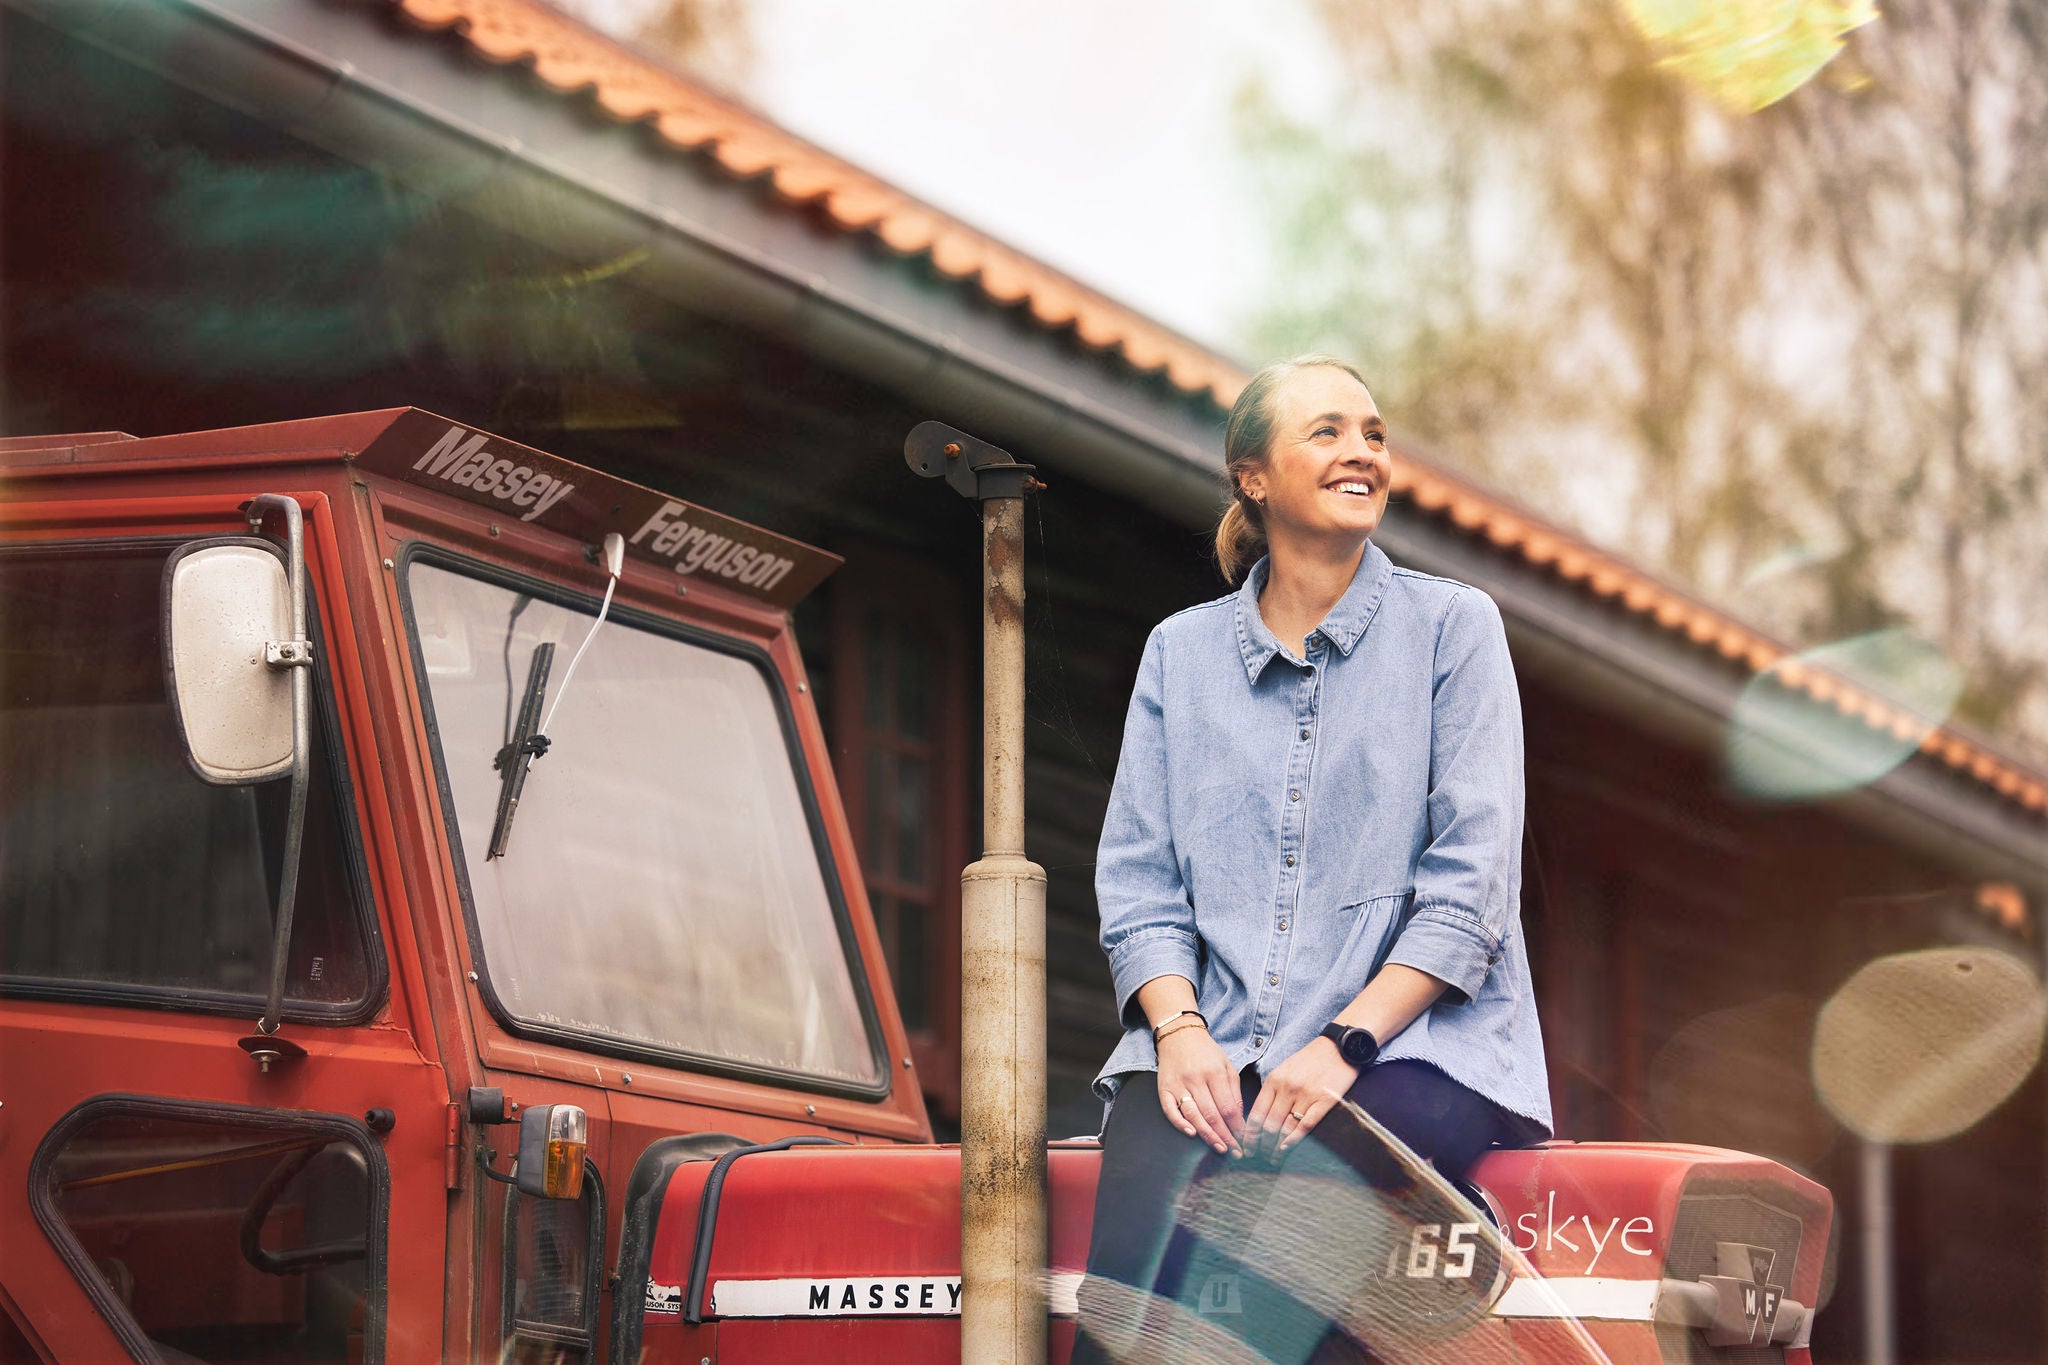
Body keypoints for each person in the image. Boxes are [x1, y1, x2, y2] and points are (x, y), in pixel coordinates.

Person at [1072, 356, 1552, 1362]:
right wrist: (1181, 1031)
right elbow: (1138, 881)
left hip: (1409, 1050)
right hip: (1214, 1045)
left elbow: (1471, 882)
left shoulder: (1452, 630)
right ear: (1252, 476)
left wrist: (1342, 1045)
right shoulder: (1178, 656)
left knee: (1271, 1253)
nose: (1360, 453)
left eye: (1372, 434)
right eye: (1325, 431)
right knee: (1123, 1302)